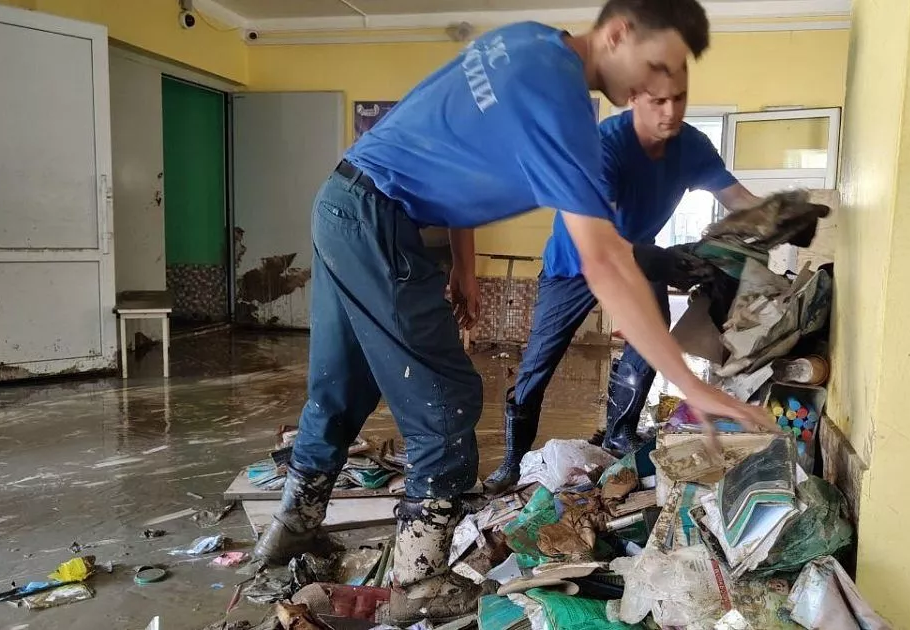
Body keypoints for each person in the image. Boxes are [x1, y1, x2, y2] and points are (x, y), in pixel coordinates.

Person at [252, 0, 775, 621]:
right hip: (378, 219)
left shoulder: (527, 42)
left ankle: (291, 531)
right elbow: (605, 263)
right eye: (654, 68)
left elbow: (448, 148)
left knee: (342, 385)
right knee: (445, 402)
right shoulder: (565, 109)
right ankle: (416, 588)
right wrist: (691, 383)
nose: (656, 91)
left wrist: (463, 266)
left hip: (344, 201)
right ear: (618, 33)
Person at [484, 67, 763, 494]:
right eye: (657, 101)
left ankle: (619, 432)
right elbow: (600, 242)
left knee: (651, 340)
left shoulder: (692, 146)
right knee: (540, 361)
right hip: (576, 262)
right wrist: (662, 261)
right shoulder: (604, 147)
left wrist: (780, 215)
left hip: (638, 254)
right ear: (632, 98)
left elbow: (738, 199)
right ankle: (513, 460)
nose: (669, 112)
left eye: (678, 99)